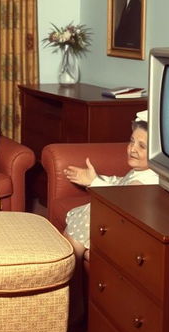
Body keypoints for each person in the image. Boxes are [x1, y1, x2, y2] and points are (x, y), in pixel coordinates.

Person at [63, 111, 158, 262]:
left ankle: (64, 265)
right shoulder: (143, 170)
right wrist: (94, 179)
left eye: (142, 146)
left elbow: (118, 200)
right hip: (116, 224)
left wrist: (94, 182)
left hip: (126, 234)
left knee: (90, 214)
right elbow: (118, 183)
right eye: (131, 141)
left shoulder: (148, 181)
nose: (132, 149)